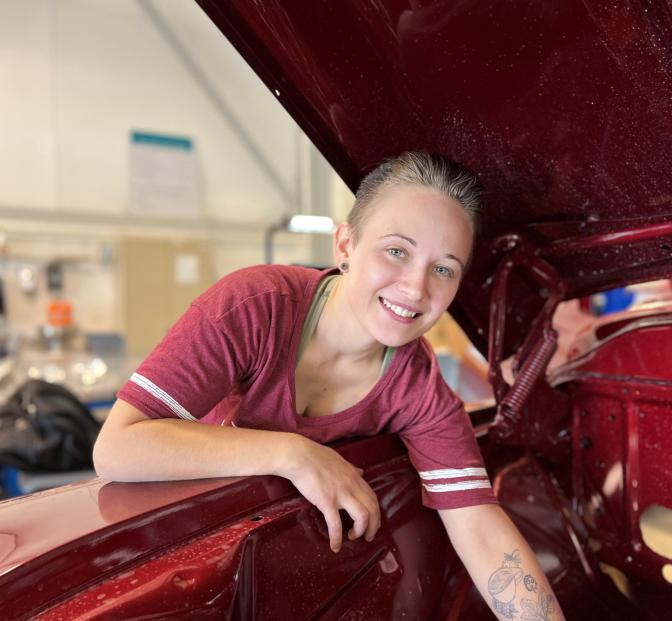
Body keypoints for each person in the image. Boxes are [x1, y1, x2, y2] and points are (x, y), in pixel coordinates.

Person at [93, 151, 565, 621]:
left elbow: (479, 526)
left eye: (444, 268)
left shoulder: (419, 389)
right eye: (397, 250)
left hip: (310, 574)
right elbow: (117, 446)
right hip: (206, 566)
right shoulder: (255, 308)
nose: (417, 288)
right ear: (345, 246)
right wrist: (294, 454)